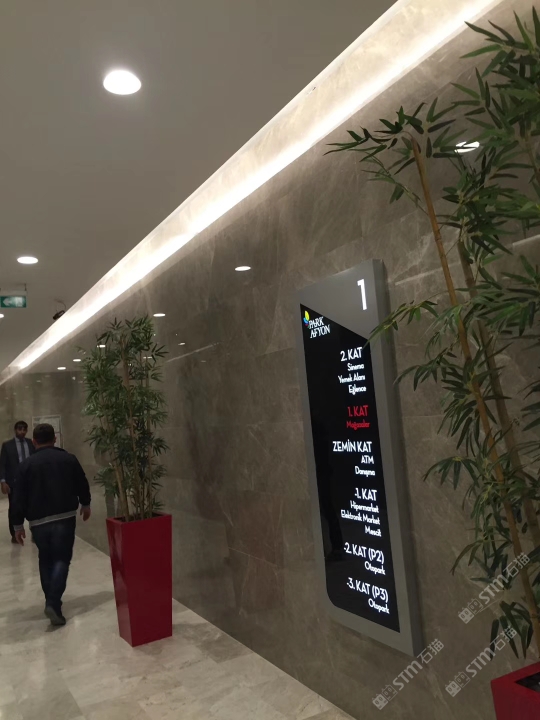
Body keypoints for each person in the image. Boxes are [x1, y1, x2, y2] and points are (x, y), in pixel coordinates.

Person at [11, 423, 91, 626]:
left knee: (45, 559)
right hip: (65, 517)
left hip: (38, 522)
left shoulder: (25, 465)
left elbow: (17, 498)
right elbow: (81, 482)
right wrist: (86, 503)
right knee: (61, 559)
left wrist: (17, 525)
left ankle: (52, 602)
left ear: (34, 441)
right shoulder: (68, 459)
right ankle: (53, 603)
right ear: (55, 439)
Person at [0, 421, 35, 542]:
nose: (22, 431)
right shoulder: (7, 445)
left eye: (24, 429)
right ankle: (14, 534)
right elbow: (2, 464)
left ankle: (35, 532)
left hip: (31, 480)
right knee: (14, 507)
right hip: (14, 482)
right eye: (20, 429)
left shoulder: (31, 443)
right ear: (15, 430)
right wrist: (3, 481)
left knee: (34, 506)